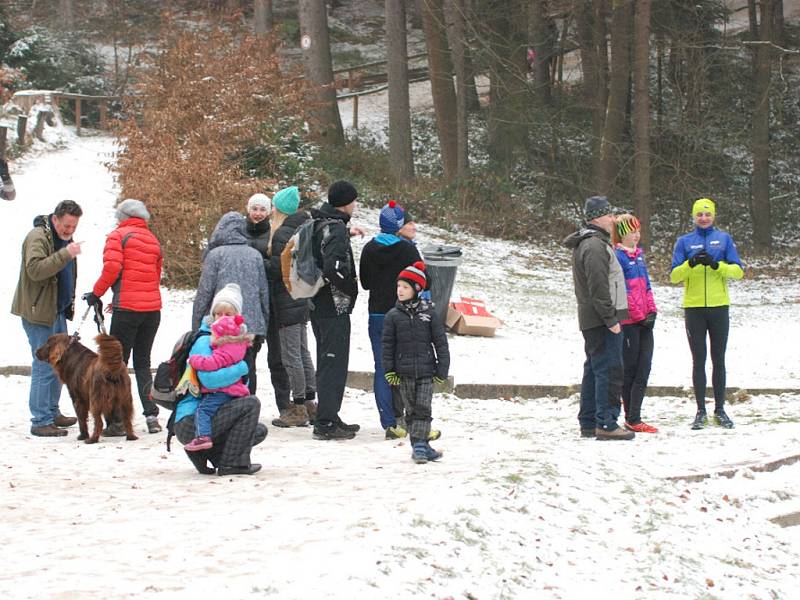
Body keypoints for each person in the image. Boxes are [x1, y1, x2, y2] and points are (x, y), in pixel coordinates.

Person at [83, 199, 164, 435]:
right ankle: (151, 417)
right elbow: (153, 276)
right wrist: (119, 296)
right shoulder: (152, 239)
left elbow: (112, 268)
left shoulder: (118, 236)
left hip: (127, 311)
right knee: (143, 363)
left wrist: (96, 293)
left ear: (121, 217)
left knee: (115, 365)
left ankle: (117, 420)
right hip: (151, 310)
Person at [174, 284, 265, 476]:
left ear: (237, 316)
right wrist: (240, 368)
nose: (223, 317)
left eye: (228, 313)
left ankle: (209, 455)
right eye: (218, 313)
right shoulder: (205, 339)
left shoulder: (236, 341)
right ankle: (232, 464)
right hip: (191, 420)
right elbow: (210, 381)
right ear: (212, 316)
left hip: (215, 410)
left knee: (257, 430)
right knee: (251, 404)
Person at [563, 196, 634, 441]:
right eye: (609, 215)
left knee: (595, 369)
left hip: (595, 317)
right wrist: (611, 319)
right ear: (597, 218)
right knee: (609, 369)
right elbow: (598, 286)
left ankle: (590, 421)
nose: (614, 220)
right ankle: (606, 422)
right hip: (602, 319)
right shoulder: (594, 246)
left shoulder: (594, 243)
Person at [670, 198, 744, 430]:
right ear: (693, 217)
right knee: (698, 359)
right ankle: (700, 411)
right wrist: (690, 264)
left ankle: (720, 409)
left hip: (719, 307)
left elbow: (738, 271)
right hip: (694, 308)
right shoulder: (684, 242)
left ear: (714, 216)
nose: (703, 218)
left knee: (718, 359)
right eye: (699, 215)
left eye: (707, 214)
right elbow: (674, 276)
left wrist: (716, 265)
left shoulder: (724, 239)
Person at [12, 200, 83, 436]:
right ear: (55, 219)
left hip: (57, 310)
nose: (69, 231)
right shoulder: (38, 237)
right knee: (44, 365)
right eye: (66, 226)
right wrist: (65, 254)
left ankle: (52, 412)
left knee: (58, 364)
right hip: (38, 312)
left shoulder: (62, 239)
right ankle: (40, 420)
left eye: (73, 227)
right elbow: (35, 270)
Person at [359, 200, 423, 438]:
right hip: (403, 314)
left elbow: (365, 283)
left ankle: (389, 423)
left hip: (376, 314)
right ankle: (409, 415)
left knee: (382, 367)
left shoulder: (369, 248)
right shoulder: (408, 250)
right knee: (406, 366)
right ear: (398, 225)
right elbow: (421, 280)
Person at [192, 211, 270, 394]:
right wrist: (264, 323)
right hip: (250, 326)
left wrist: (197, 325)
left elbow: (204, 293)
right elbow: (263, 293)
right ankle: (248, 405)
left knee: (222, 365)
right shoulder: (255, 255)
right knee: (248, 367)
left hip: (221, 324)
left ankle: (225, 407)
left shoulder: (215, 255)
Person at [309, 180, 362, 440]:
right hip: (333, 305)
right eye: (353, 201)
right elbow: (334, 268)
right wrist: (351, 288)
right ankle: (326, 422)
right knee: (333, 362)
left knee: (326, 359)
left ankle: (329, 414)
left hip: (316, 303)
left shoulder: (319, 222)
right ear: (346, 202)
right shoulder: (336, 229)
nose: (355, 205)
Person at [382, 262, 449, 463]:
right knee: (411, 409)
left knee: (423, 407)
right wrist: (390, 370)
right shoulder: (393, 316)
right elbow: (387, 346)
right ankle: (422, 445)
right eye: (398, 286)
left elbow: (441, 343)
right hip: (404, 372)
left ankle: (419, 446)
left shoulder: (429, 314)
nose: (400, 290)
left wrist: (442, 369)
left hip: (427, 371)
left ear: (417, 289)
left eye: (405, 287)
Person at [267, 186, 317, 427]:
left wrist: (259, 262)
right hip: (302, 297)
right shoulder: (304, 227)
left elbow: (277, 268)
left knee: (291, 355)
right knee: (303, 351)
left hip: (285, 299)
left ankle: (297, 407)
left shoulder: (282, 233)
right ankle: (309, 401)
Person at [242, 192, 292, 409]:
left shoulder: (274, 233)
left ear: (269, 211)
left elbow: (277, 264)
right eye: (255, 209)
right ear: (248, 210)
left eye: (263, 209)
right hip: (247, 302)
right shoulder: (239, 233)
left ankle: (284, 404)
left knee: (277, 357)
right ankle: (246, 402)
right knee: (247, 355)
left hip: (271, 301)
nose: (258, 213)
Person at [613, 214, 658, 434]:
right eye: (632, 232)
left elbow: (646, 287)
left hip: (645, 322)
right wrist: (639, 315)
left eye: (638, 231)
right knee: (630, 369)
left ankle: (635, 415)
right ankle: (632, 416)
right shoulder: (618, 257)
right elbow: (625, 293)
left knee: (644, 367)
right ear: (623, 233)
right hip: (630, 322)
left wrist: (652, 311)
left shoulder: (639, 256)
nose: (637, 236)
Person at [186, 310, 253, 452]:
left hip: (221, 391)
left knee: (203, 411)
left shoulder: (223, 351)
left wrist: (193, 359)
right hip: (233, 391)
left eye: (214, 333)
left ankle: (203, 437)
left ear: (221, 335)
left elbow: (210, 364)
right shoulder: (239, 346)